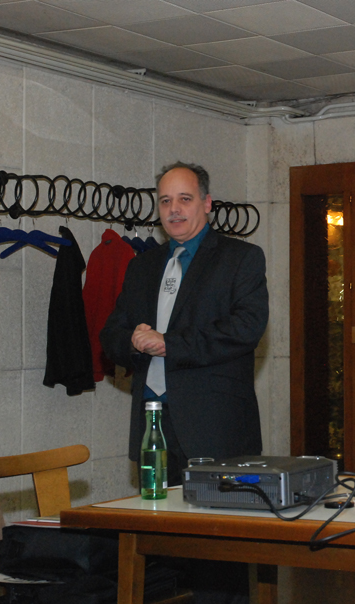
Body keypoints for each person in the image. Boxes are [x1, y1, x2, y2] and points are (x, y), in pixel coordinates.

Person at [101, 162, 268, 603]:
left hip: (216, 429)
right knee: (163, 551)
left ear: (207, 204)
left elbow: (246, 328)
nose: (174, 210)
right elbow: (110, 334)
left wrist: (169, 343)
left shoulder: (241, 258)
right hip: (154, 427)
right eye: (165, 201)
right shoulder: (142, 265)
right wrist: (132, 341)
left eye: (185, 199)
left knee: (219, 557)